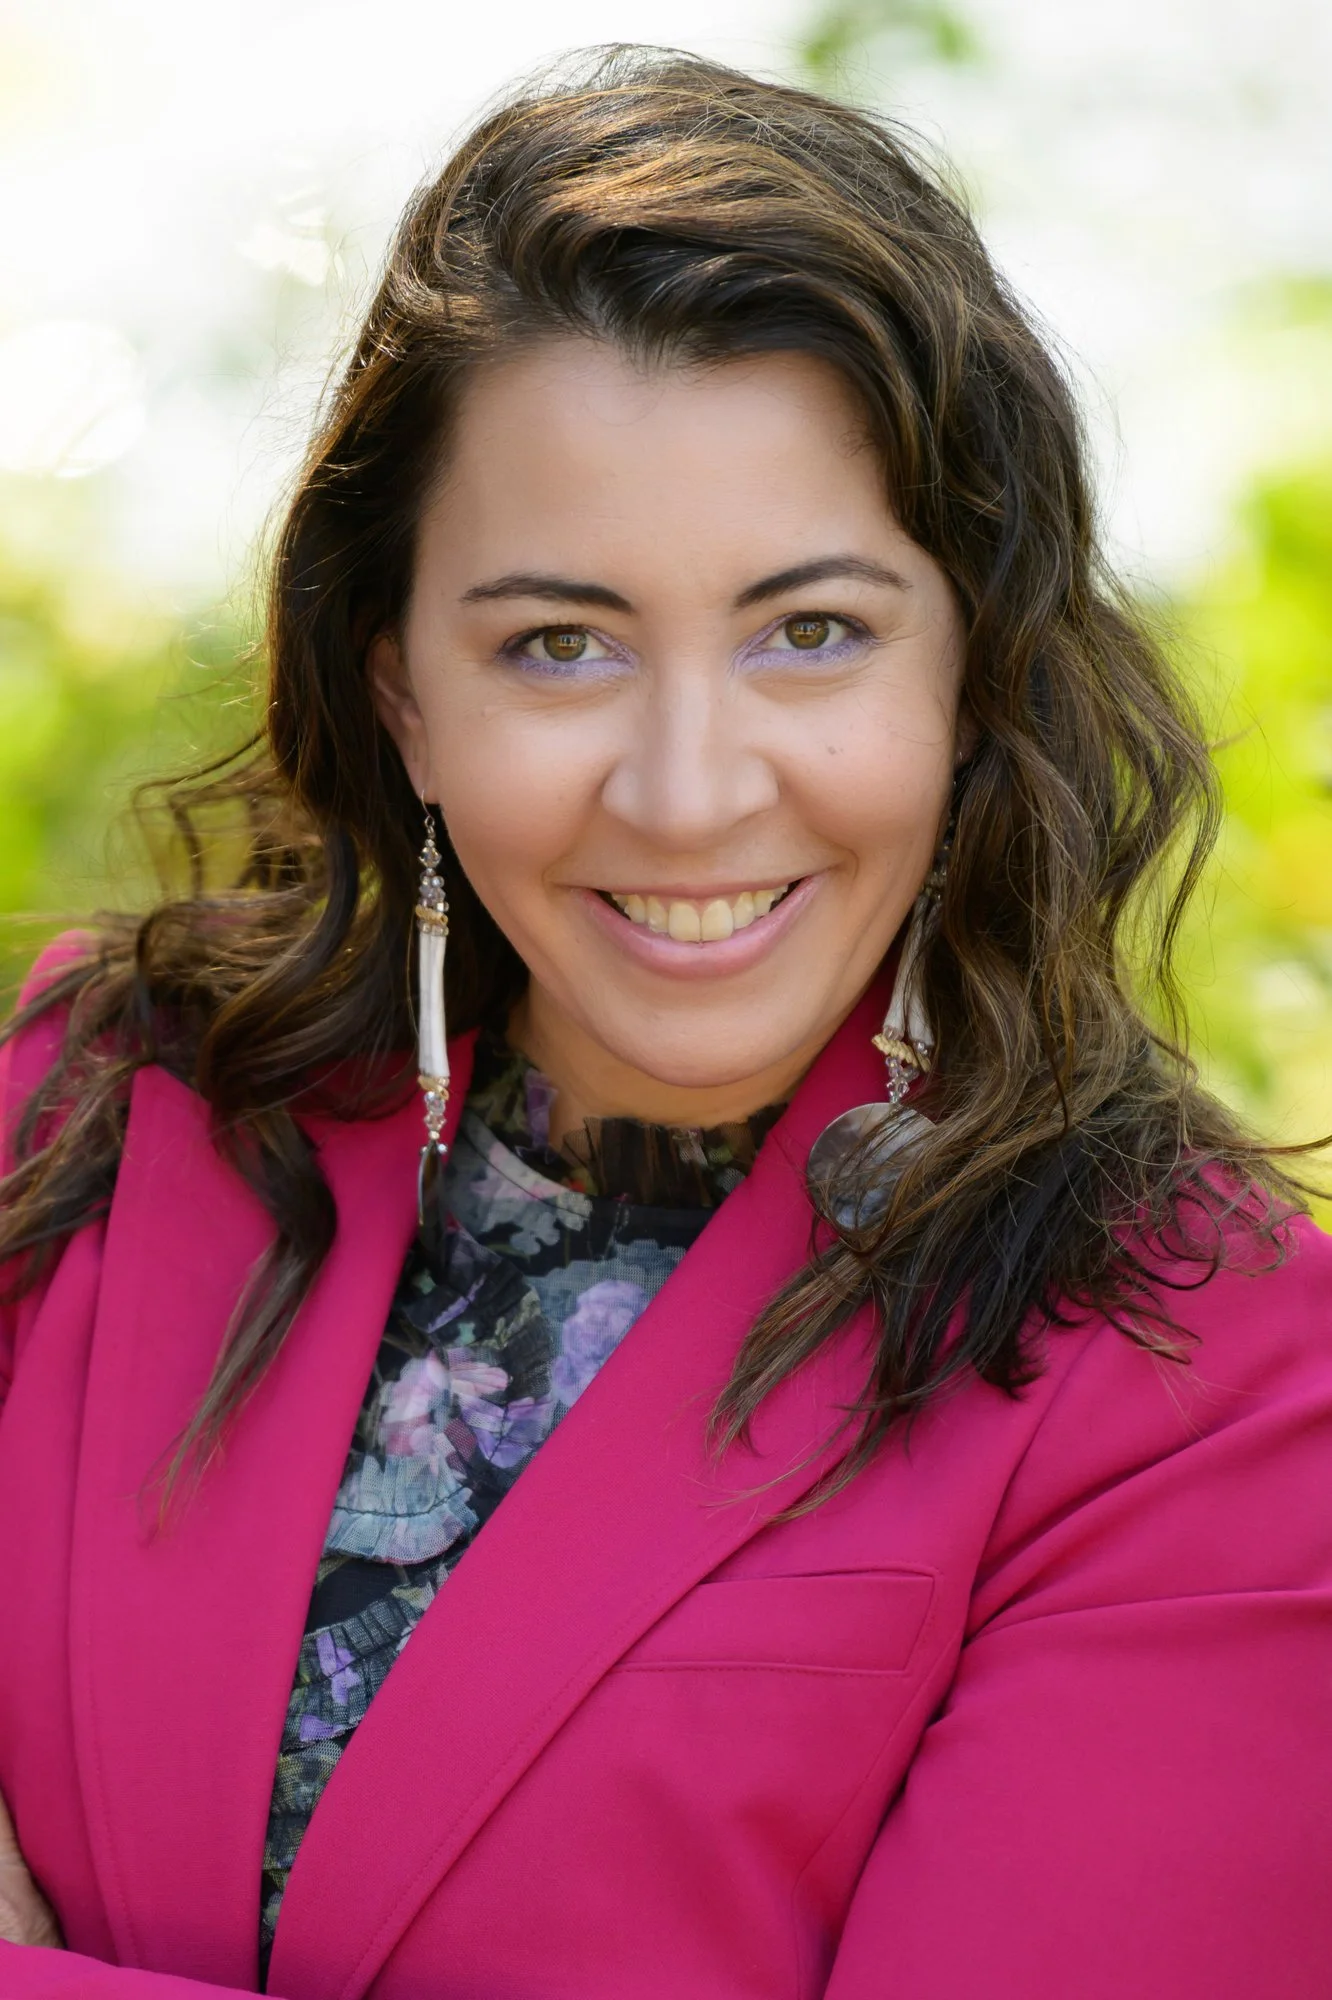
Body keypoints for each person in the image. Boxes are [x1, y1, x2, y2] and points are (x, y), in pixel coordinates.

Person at [1, 45, 1329, 2000]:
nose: (690, 789)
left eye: (813, 630)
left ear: (970, 666)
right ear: (400, 696)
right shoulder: (99, 1101)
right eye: (561, 643)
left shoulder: (1209, 1376)